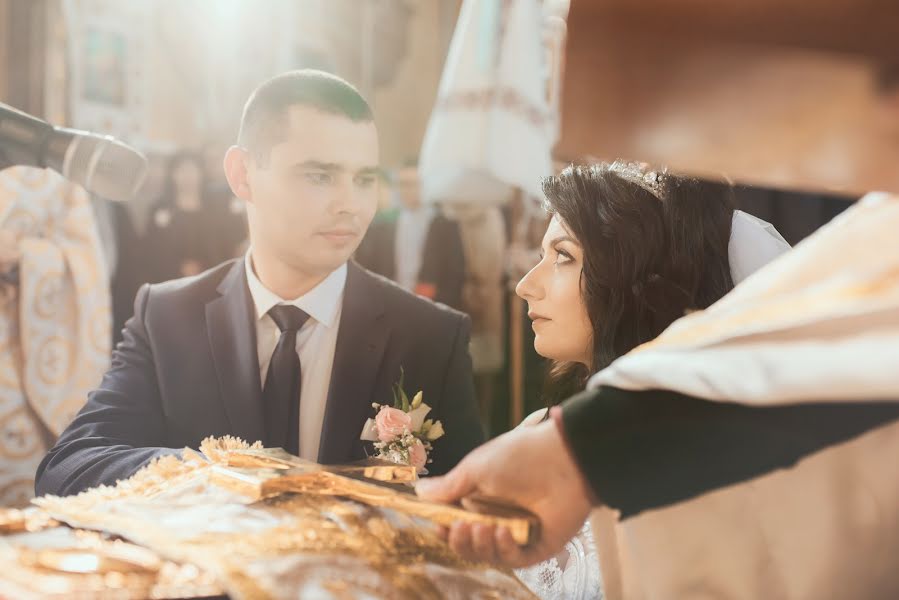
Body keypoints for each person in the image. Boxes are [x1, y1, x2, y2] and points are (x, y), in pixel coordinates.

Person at [417, 186, 899, 599]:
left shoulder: (729, 476)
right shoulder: (540, 435)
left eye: (562, 256)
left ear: (636, 279)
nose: (524, 286)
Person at [36, 70, 484, 498]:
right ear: (242, 175)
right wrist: (218, 474)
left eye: (365, 178)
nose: (351, 204)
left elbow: (467, 513)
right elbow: (70, 465)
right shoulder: (168, 317)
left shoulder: (430, 337)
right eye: (320, 176)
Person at [355, 166, 467, 311]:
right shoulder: (384, 224)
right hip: (390, 304)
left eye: (413, 184)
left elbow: (455, 273)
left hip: (431, 307)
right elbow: (369, 269)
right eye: (403, 184)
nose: (408, 190)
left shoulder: (445, 224)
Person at [142, 151, 247, 283]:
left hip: (217, 278)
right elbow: (152, 248)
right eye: (182, 171)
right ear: (172, 175)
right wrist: (179, 268)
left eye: (192, 170)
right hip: (173, 281)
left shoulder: (217, 206)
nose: (188, 176)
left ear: (201, 173)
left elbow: (233, 240)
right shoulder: (160, 208)